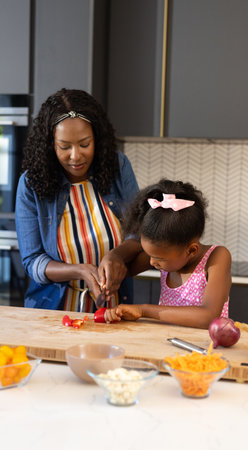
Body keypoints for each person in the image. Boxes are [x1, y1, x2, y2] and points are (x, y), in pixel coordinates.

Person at [15, 88, 141, 311]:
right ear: (50, 145)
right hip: (52, 313)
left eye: (84, 144)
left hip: (114, 309)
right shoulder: (31, 184)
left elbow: (140, 232)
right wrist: (79, 270)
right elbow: (33, 261)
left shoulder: (117, 167)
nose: (75, 156)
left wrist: (117, 255)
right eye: (64, 147)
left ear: (97, 138)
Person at [104, 179, 232, 329]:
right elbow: (121, 270)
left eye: (158, 258)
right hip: (167, 343)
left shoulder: (217, 257)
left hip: (206, 349)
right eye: (149, 254)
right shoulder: (166, 256)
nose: (151, 262)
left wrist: (143, 310)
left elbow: (208, 317)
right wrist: (113, 257)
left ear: (191, 250)